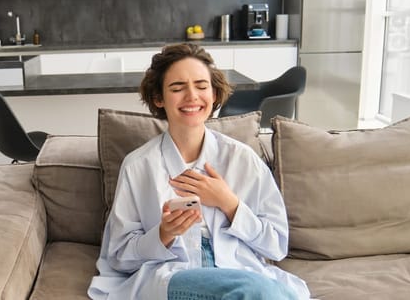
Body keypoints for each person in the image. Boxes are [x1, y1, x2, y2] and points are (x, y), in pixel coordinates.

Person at [88, 43, 310, 300]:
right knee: (256, 291)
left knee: (270, 291)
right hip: (175, 276)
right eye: (177, 88)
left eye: (202, 86)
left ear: (214, 94)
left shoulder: (242, 159)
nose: (192, 96)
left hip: (238, 270)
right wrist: (163, 234)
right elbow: (118, 256)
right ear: (158, 98)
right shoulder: (139, 166)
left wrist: (230, 204)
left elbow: (276, 245)